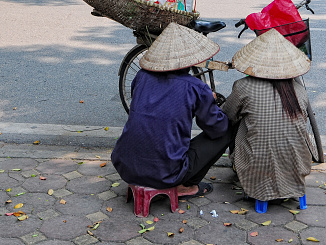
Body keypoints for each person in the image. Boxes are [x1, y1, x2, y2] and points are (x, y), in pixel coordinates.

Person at [111, 22, 233, 197]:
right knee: (225, 131)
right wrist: (210, 103)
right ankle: (186, 186)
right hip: (166, 174)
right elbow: (217, 128)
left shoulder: (142, 76)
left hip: (124, 166)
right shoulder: (195, 88)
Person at [222, 29, 312, 202]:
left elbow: (227, 115)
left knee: (241, 122)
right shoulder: (299, 91)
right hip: (297, 168)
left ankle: (245, 171)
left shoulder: (243, 86)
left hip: (256, 171)